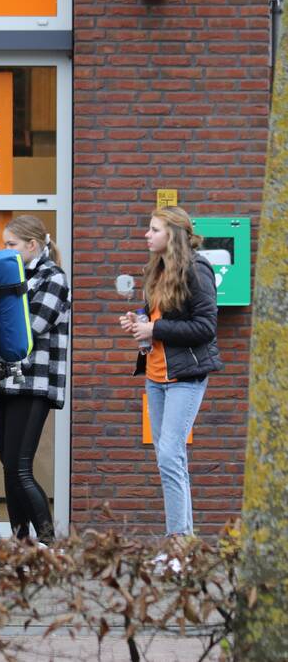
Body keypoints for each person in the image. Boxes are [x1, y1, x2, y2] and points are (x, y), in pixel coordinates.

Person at [119, 207, 222, 540]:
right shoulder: (157, 269)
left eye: (153, 229)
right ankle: (183, 543)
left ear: (173, 235)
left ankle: (178, 546)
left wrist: (155, 328)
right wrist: (139, 325)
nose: (146, 235)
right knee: (169, 460)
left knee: (169, 456)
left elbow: (205, 327)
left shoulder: (197, 270)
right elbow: (156, 318)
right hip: (156, 375)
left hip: (186, 377)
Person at [0, 215, 70, 546]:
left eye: (11, 244)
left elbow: (31, 327)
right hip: (6, 382)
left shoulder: (53, 278)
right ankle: (21, 541)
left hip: (35, 383)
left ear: (33, 245)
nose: (6, 250)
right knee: (10, 468)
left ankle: (49, 542)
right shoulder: (17, 277)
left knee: (21, 467)